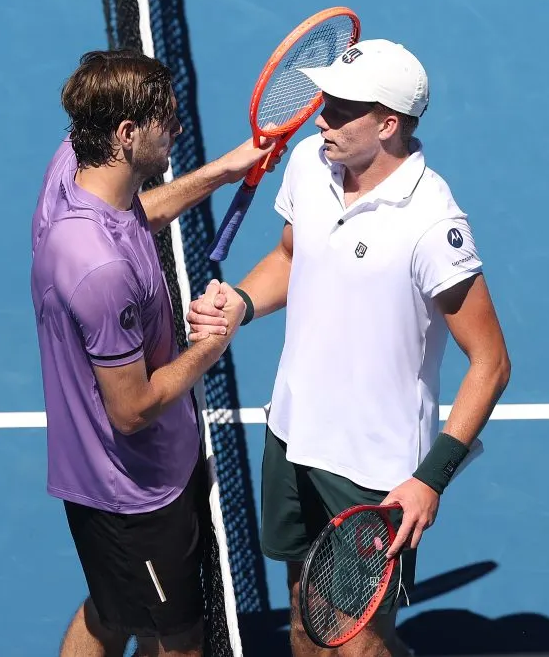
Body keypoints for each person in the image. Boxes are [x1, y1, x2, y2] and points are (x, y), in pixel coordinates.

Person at [187, 39, 512, 656]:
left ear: (388, 124)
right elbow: (291, 254)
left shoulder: (431, 224)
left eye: (340, 108)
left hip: (373, 469)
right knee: (308, 619)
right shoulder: (312, 162)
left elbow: (492, 363)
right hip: (291, 432)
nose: (320, 117)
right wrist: (241, 304)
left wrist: (429, 480)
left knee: (359, 641)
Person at [30, 48, 283, 657]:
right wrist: (212, 344)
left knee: (112, 614)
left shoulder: (73, 170)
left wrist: (224, 170)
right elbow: (134, 408)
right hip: (131, 490)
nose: (176, 127)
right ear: (125, 133)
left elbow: (136, 214)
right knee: (178, 641)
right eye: (166, 119)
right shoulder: (101, 271)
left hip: (138, 471)